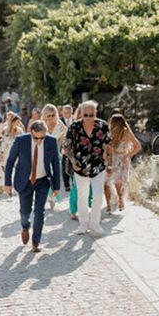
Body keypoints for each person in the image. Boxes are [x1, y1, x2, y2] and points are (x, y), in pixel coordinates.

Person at [4, 121, 61, 253]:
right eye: (36, 138)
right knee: (25, 211)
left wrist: (57, 186)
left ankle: (36, 241)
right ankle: (25, 227)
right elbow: (10, 161)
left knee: (40, 211)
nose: (39, 141)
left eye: (42, 138)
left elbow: (56, 164)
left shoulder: (51, 141)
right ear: (31, 133)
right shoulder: (21, 141)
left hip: (43, 181)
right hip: (25, 181)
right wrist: (7, 183)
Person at [64, 101, 111, 237]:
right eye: (86, 115)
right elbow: (66, 148)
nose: (89, 118)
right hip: (80, 167)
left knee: (97, 194)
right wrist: (73, 161)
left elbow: (109, 146)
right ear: (81, 114)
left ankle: (95, 224)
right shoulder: (74, 127)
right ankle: (83, 224)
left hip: (98, 166)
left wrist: (110, 163)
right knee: (82, 195)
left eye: (91, 115)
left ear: (96, 114)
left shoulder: (103, 126)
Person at [104, 113, 142, 212]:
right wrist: (127, 155)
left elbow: (138, 146)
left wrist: (127, 155)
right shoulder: (124, 132)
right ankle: (119, 199)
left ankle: (113, 203)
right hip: (120, 158)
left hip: (115, 158)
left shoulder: (112, 132)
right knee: (119, 181)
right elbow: (138, 146)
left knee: (109, 181)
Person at [0, 112, 23, 194]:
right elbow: (1, 142)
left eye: (19, 122)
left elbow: (23, 142)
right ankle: (4, 187)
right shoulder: (5, 130)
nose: (18, 124)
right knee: (4, 169)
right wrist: (0, 153)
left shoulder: (20, 131)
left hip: (16, 152)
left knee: (15, 169)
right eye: (17, 122)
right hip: (5, 151)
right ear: (13, 122)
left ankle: (14, 188)